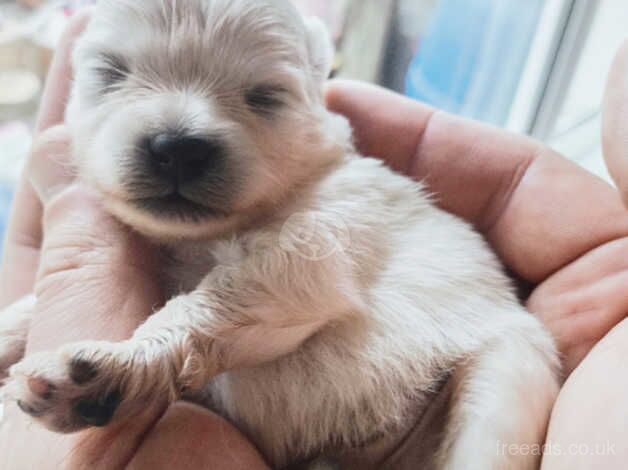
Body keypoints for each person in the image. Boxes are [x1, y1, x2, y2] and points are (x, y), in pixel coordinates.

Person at [1, 10, 628, 470]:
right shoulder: (146, 228)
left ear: (316, 108)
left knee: (515, 347)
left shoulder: (343, 188)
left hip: (448, 397)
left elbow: (294, 287)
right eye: (113, 75)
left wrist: (151, 357)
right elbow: (94, 306)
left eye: (263, 97)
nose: (179, 135)